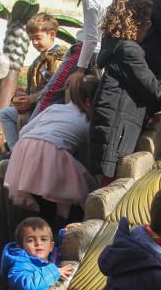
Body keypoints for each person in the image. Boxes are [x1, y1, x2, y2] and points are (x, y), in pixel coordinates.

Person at [89, 0, 161, 179]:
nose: (148, 27)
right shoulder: (128, 51)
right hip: (116, 132)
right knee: (111, 190)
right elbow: (156, 89)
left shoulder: (114, 45)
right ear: (135, 22)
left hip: (110, 128)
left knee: (105, 185)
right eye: (146, 22)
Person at [32, 0, 120, 122]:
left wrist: (79, 70)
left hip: (84, 54)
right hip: (103, 55)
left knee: (48, 96)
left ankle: (23, 141)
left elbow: (90, 38)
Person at [5, 73, 97, 225]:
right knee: (85, 189)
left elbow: (23, 131)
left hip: (24, 149)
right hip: (51, 150)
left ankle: (44, 228)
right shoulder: (89, 120)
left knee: (45, 201)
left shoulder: (55, 108)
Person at [1, 13, 69, 150]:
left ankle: (23, 152)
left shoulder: (59, 57)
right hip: (34, 105)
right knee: (6, 114)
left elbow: (55, 89)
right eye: (32, 39)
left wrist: (31, 100)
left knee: (26, 123)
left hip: (49, 108)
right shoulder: (38, 60)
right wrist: (21, 97)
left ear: (52, 34)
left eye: (38, 38)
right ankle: (16, 151)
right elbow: (34, 87)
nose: (35, 43)